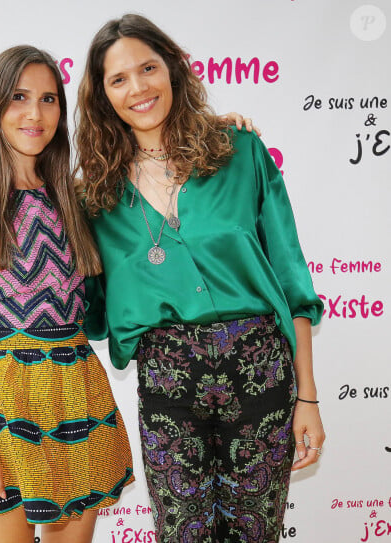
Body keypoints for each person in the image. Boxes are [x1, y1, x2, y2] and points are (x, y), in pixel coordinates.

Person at [76, 14, 326, 543]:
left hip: (260, 369)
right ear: (102, 96)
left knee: (255, 535)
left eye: (148, 68)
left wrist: (308, 396)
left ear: (172, 69)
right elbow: (91, 308)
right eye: (118, 79)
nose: (138, 88)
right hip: (168, 379)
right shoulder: (94, 195)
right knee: (180, 536)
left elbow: (291, 282)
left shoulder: (240, 152)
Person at [0, 45, 134, 543]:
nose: (35, 113)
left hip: (76, 395)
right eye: (19, 97)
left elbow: (157, 168)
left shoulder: (77, 197)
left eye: (48, 99)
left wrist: (226, 128)